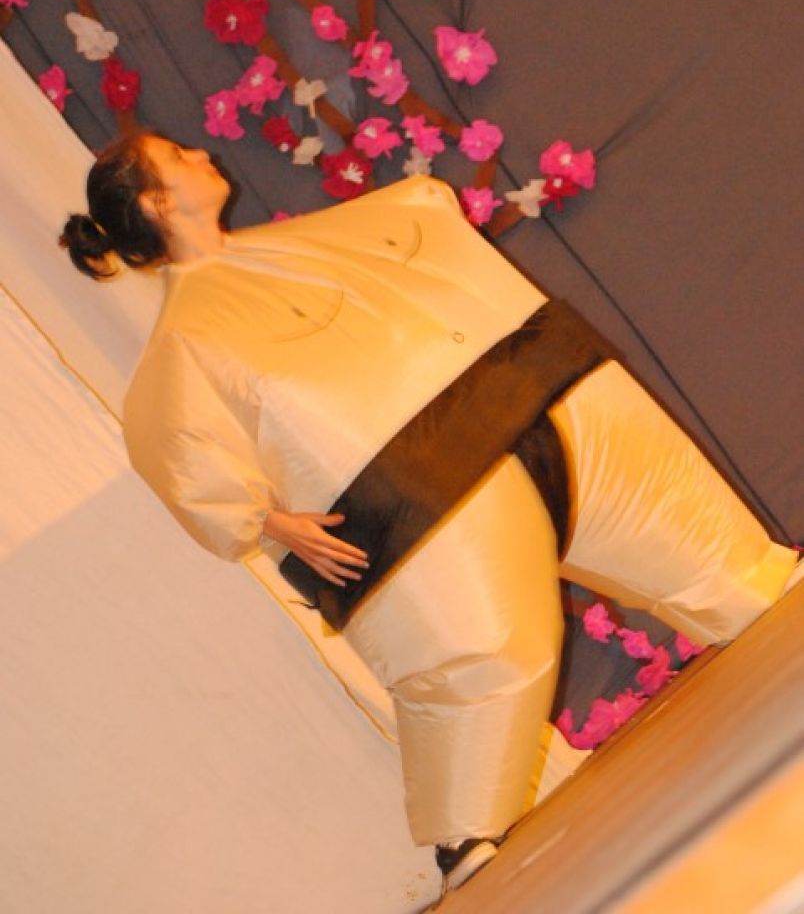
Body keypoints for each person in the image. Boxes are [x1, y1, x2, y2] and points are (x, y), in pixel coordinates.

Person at [61, 133, 800, 891]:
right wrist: (266, 521)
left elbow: (419, 213)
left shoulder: (307, 244)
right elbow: (173, 441)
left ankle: (742, 581)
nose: (199, 155)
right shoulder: (187, 340)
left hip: (523, 403)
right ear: (156, 201)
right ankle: (464, 829)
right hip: (421, 494)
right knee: (484, 640)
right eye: (176, 157)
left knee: (654, 510)